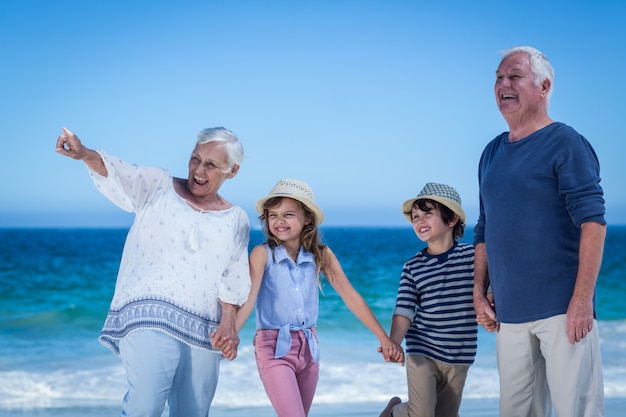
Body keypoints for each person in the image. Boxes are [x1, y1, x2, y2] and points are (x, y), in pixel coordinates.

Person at [55, 127, 251, 416]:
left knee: (193, 412)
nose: (199, 169)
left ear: (232, 171)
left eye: (211, 165)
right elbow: (120, 173)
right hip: (148, 314)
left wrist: (228, 325)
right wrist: (84, 154)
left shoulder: (237, 219)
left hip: (204, 330)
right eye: (195, 159)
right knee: (145, 407)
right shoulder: (158, 185)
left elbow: (233, 279)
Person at [473, 46, 607, 417]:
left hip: (563, 312)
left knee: (576, 411)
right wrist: (478, 292)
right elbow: (485, 228)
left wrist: (582, 301)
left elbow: (593, 223)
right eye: (499, 78)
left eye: (514, 76)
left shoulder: (566, 142)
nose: (503, 84)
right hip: (508, 314)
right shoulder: (490, 153)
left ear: (544, 86)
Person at [235, 178, 404, 417]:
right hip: (273, 348)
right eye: (273, 215)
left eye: (288, 214)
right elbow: (249, 300)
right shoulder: (263, 254)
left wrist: (385, 340)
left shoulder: (321, 255)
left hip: (310, 349)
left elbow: (351, 297)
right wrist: (231, 335)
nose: (279, 221)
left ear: (307, 218)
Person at [379, 182, 478, 417]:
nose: (419, 221)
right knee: (422, 414)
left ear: (451, 219)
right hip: (423, 350)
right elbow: (404, 310)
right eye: (415, 217)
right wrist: (394, 342)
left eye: (427, 214)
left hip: (460, 354)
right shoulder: (413, 267)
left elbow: (489, 289)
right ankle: (395, 411)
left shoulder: (473, 256)